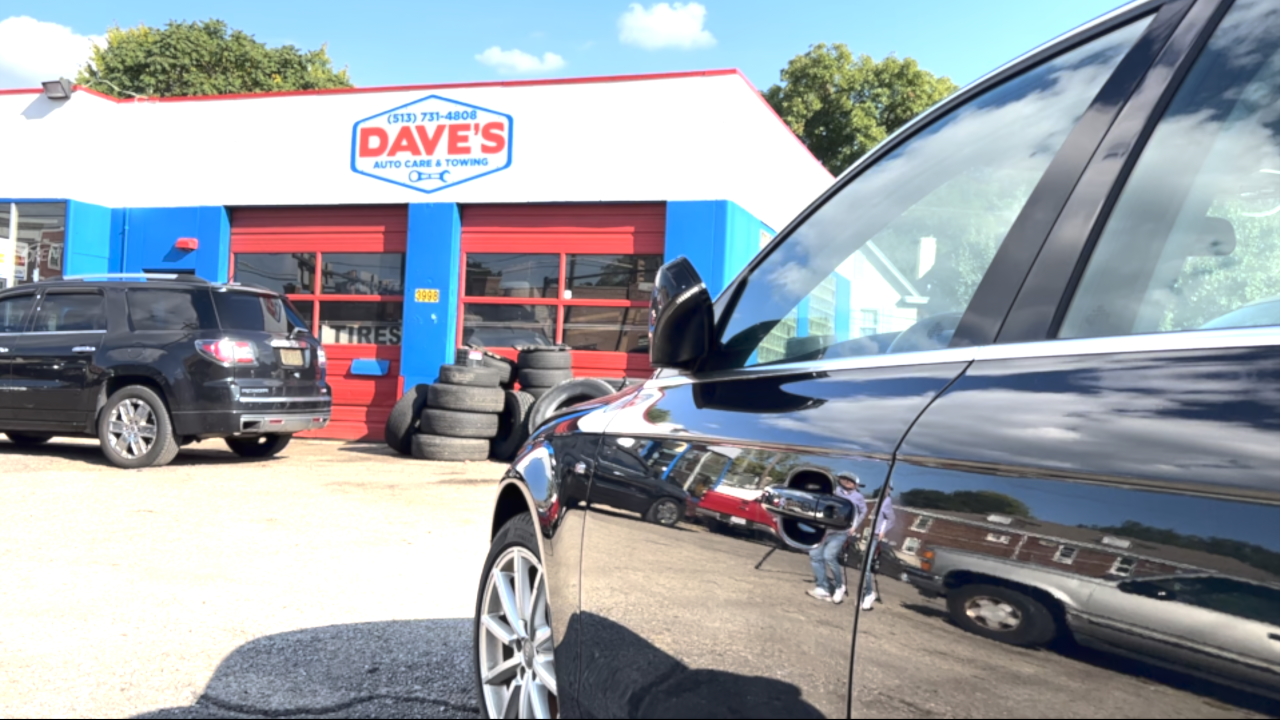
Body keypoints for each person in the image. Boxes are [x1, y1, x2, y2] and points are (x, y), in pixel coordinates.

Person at [807, 472, 867, 604]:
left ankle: (840, 585)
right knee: (815, 555)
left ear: (856, 484)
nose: (846, 482)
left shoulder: (859, 497)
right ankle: (823, 588)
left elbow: (863, 511)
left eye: (850, 480)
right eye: (844, 479)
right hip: (825, 529)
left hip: (841, 531)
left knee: (829, 556)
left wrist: (854, 526)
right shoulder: (834, 491)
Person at [861, 494, 896, 611]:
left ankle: (869, 593)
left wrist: (883, 531)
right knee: (864, 565)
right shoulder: (879, 501)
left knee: (866, 567)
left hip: (875, 536)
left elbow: (891, 518)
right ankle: (866, 593)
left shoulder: (886, 501)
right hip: (871, 535)